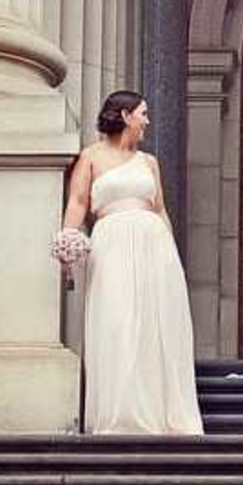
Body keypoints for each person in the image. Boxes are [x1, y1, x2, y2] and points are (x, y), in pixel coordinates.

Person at [63, 90, 203, 435]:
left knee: (157, 327)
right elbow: (78, 203)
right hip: (110, 242)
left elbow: (159, 209)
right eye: (143, 113)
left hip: (154, 244)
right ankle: (122, 414)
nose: (148, 120)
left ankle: (162, 414)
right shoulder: (91, 157)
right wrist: (68, 240)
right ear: (125, 116)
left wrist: (172, 259)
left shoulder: (149, 162)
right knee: (118, 322)